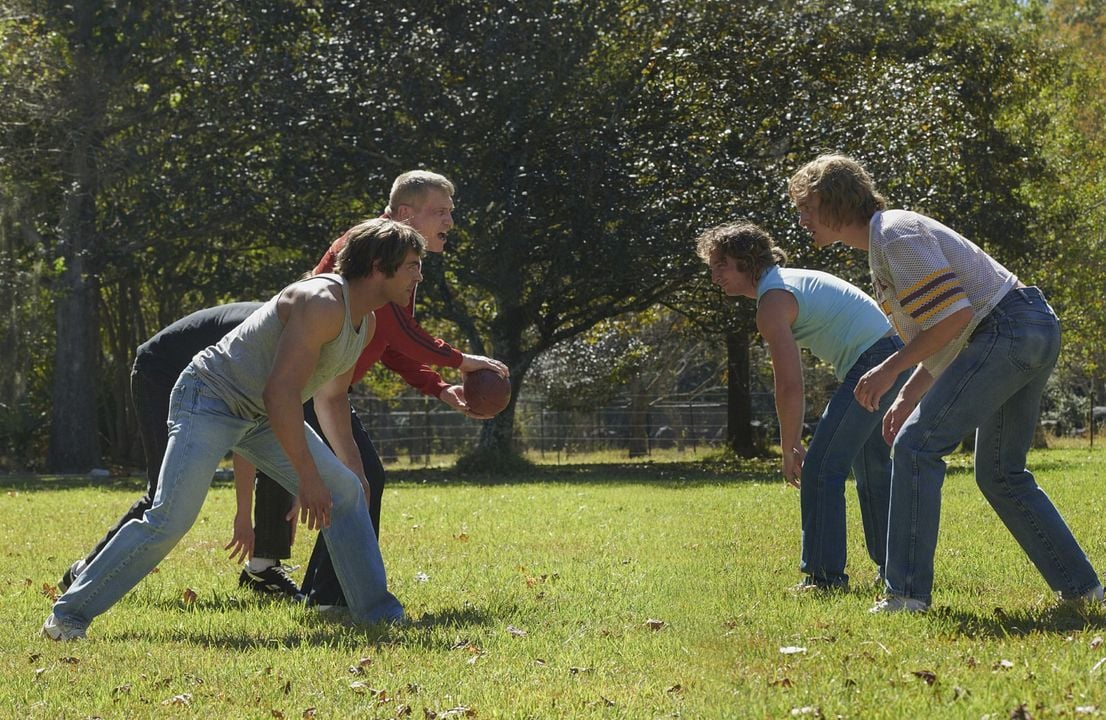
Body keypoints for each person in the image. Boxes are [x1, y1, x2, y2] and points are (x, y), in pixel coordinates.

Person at [42, 218, 419, 640]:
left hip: (258, 416)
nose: (418, 276)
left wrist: (355, 473)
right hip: (209, 400)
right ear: (376, 267)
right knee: (171, 517)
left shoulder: (362, 321)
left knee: (347, 493)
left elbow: (330, 398)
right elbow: (281, 393)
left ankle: (377, 615)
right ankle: (68, 616)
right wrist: (308, 480)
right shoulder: (322, 302)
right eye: (410, 265)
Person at [788, 153, 1104, 613]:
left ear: (833, 202)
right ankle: (1085, 591)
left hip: (1006, 331)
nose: (801, 220)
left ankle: (907, 594)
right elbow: (946, 333)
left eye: (806, 207)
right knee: (1001, 473)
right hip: (1025, 329)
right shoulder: (885, 243)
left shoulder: (894, 233)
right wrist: (908, 397)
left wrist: (890, 370)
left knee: (916, 447)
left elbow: (955, 318)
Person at [294, 170, 509, 607]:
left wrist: (439, 386)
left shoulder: (402, 255)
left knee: (359, 480)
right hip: (298, 390)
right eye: (440, 212)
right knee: (360, 479)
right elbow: (399, 329)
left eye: (451, 212)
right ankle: (330, 595)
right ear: (407, 213)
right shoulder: (374, 249)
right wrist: (461, 361)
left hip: (325, 391)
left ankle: (323, 593)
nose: (449, 221)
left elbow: (387, 341)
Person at [696, 221, 911, 591]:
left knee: (821, 467)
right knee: (871, 466)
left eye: (722, 265)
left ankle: (824, 578)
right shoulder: (783, 283)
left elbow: (790, 386)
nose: (714, 276)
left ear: (747, 262)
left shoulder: (773, 300)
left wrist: (791, 446)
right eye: (712, 267)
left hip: (877, 360)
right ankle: (894, 569)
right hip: (894, 354)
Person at [55, 302, 306, 601]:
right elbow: (247, 436)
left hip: (200, 377)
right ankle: (84, 574)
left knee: (278, 443)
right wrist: (242, 515)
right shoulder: (274, 336)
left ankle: (263, 567)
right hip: (160, 373)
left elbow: (263, 431)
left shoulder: (299, 334)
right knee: (165, 493)